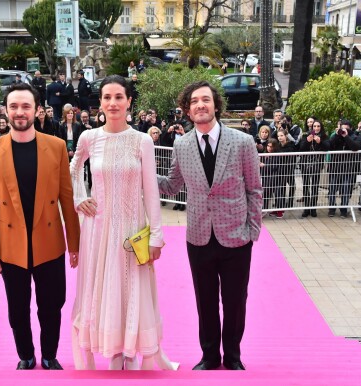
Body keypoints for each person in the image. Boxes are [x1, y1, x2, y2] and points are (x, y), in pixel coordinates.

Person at [69, 75, 178, 371]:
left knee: (131, 289)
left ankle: (130, 352)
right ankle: (111, 350)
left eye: (119, 97)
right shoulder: (89, 137)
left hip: (132, 230)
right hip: (98, 229)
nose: (113, 103)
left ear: (130, 101)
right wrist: (80, 198)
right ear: (100, 103)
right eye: (107, 97)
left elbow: (151, 191)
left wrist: (156, 235)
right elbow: (74, 168)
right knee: (101, 289)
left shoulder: (142, 140)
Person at [157, 80, 262, 371]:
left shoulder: (242, 142)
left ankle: (233, 356)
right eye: (194, 102)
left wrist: (252, 230)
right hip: (199, 236)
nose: (200, 105)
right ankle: (209, 356)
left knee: (235, 301)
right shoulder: (181, 144)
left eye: (205, 100)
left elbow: (254, 189)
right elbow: (173, 184)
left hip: (236, 236)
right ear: (187, 110)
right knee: (204, 301)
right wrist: (140, 173)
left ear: (216, 104)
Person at [0, 83, 80, 371]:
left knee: (52, 306)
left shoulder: (56, 146)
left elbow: (66, 198)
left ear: (37, 110)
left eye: (25, 106)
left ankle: (49, 354)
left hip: (49, 242)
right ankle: (25, 354)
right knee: (18, 309)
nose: (20, 112)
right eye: (14, 106)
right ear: (5, 111)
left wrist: (74, 243)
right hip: (11, 245)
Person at [298, 119, 330, 217]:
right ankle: (306, 208)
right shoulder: (305, 135)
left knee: (315, 186)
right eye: (314, 126)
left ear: (321, 127)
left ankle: (313, 208)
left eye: (318, 126)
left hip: (317, 164)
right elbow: (301, 148)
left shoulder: (324, 136)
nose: (316, 128)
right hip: (305, 164)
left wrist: (320, 142)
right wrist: (307, 141)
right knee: (306, 186)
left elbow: (328, 147)